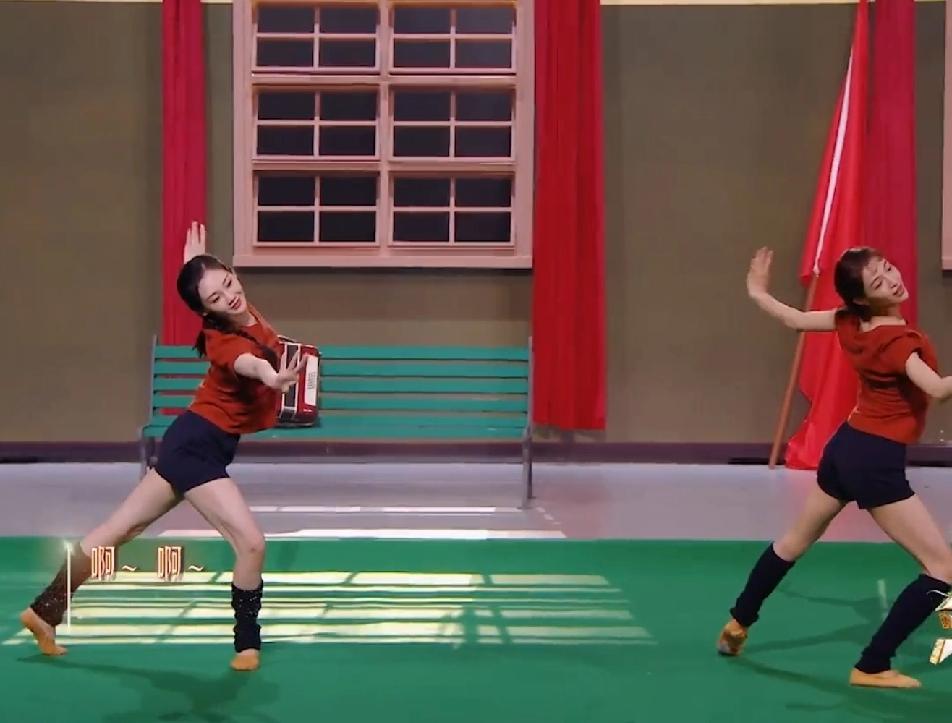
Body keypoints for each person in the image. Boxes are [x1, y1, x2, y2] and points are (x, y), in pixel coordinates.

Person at [19, 222, 306, 672]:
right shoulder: (223, 340)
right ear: (206, 311)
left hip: (190, 441)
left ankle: (43, 612)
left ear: (232, 274)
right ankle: (247, 643)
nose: (230, 296)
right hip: (197, 447)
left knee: (119, 530)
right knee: (251, 543)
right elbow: (249, 364)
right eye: (216, 298)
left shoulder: (240, 309)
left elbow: (215, 291)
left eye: (228, 283)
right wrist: (273, 377)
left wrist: (194, 264)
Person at [717, 246, 952, 689]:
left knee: (793, 543)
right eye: (879, 282)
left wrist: (758, 292)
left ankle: (737, 624)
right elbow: (938, 390)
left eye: (889, 269)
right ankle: (873, 665)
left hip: (845, 447)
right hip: (874, 461)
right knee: (941, 566)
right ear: (862, 298)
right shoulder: (897, 344)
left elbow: (795, 319)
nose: (893, 280)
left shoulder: (848, 321)